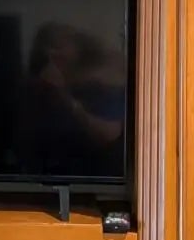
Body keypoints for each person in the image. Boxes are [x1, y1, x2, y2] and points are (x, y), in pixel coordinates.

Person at [18, 21, 124, 179]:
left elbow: (110, 134)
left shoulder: (101, 82)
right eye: (48, 50)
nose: (54, 53)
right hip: (46, 177)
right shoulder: (39, 87)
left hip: (99, 175)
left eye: (59, 46)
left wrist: (65, 96)